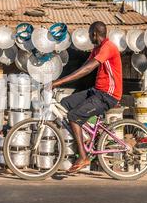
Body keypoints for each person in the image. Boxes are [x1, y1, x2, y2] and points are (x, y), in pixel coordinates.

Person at [52, 21, 123, 174]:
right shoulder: (97, 48)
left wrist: (59, 82)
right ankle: (85, 136)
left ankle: (83, 157)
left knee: (74, 116)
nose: (89, 37)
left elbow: (89, 68)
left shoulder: (107, 47)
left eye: (90, 34)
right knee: (65, 104)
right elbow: (84, 67)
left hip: (108, 95)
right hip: (97, 91)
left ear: (94, 34)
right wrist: (60, 78)